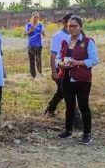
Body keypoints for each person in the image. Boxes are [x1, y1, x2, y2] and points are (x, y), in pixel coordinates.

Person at [56, 16, 98, 144]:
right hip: (66, 77)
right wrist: (60, 63)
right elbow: (58, 57)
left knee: (83, 105)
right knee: (69, 105)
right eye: (70, 26)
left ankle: (87, 133)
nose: (72, 28)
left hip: (82, 78)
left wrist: (77, 62)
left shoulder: (88, 41)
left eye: (75, 26)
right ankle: (68, 130)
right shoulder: (65, 41)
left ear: (81, 27)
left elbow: (94, 60)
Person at [44, 13, 73, 116]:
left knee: (63, 91)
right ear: (64, 22)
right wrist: (53, 72)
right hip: (60, 68)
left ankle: (50, 110)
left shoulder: (76, 35)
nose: (73, 26)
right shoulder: (58, 36)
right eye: (71, 23)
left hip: (72, 67)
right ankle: (75, 117)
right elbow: (53, 55)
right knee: (66, 91)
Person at [25, 12, 46, 78]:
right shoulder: (28, 25)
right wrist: (30, 31)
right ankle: (33, 75)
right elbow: (24, 34)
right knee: (31, 60)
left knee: (38, 59)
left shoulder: (41, 25)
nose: (36, 18)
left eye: (37, 17)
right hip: (30, 45)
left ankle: (40, 72)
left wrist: (43, 33)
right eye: (35, 17)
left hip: (38, 45)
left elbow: (44, 35)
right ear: (32, 17)